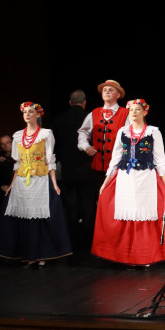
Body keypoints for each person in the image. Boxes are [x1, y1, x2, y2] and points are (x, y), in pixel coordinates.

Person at [91, 99, 165, 266]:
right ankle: (125, 256)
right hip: (125, 178)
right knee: (125, 213)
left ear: (145, 112)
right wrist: (105, 182)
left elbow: (160, 160)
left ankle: (145, 256)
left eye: (138, 110)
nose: (134, 112)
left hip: (146, 178)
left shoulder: (153, 132)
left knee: (144, 216)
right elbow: (115, 158)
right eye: (131, 109)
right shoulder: (123, 132)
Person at [0, 102, 72, 266]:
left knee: (40, 216)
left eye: (31, 111)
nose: (28, 114)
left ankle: (41, 253)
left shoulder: (46, 133)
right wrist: (11, 184)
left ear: (38, 115)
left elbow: (50, 159)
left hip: (40, 179)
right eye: (25, 112)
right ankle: (27, 254)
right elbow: (17, 163)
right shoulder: (17, 135)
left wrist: (54, 184)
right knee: (24, 216)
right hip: (22, 180)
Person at [53, 89, 94, 253]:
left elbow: (54, 147)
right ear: (85, 103)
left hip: (68, 170)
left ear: (70, 103)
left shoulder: (59, 119)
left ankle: (72, 241)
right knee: (88, 206)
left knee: (71, 206)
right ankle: (89, 241)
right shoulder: (90, 118)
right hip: (88, 169)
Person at [77, 79, 130, 202]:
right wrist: (86, 146)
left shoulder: (125, 113)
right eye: (104, 90)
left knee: (117, 200)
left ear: (118, 95)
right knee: (99, 199)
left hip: (119, 167)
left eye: (111, 90)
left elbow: (131, 135)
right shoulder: (94, 113)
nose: (107, 92)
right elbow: (83, 132)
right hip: (97, 168)